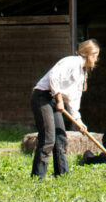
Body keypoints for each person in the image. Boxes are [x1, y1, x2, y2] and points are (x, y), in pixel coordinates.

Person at [30, 39, 99, 178]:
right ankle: (38, 177)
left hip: (55, 100)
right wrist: (59, 99)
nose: (96, 60)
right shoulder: (71, 62)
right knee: (48, 138)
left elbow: (73, 102)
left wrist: (79, 122)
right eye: (96, 56)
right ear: (89, 54)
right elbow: (53, 77)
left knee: (60, 137)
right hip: (43, 97)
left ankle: (62, 175)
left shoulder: (82, 75)